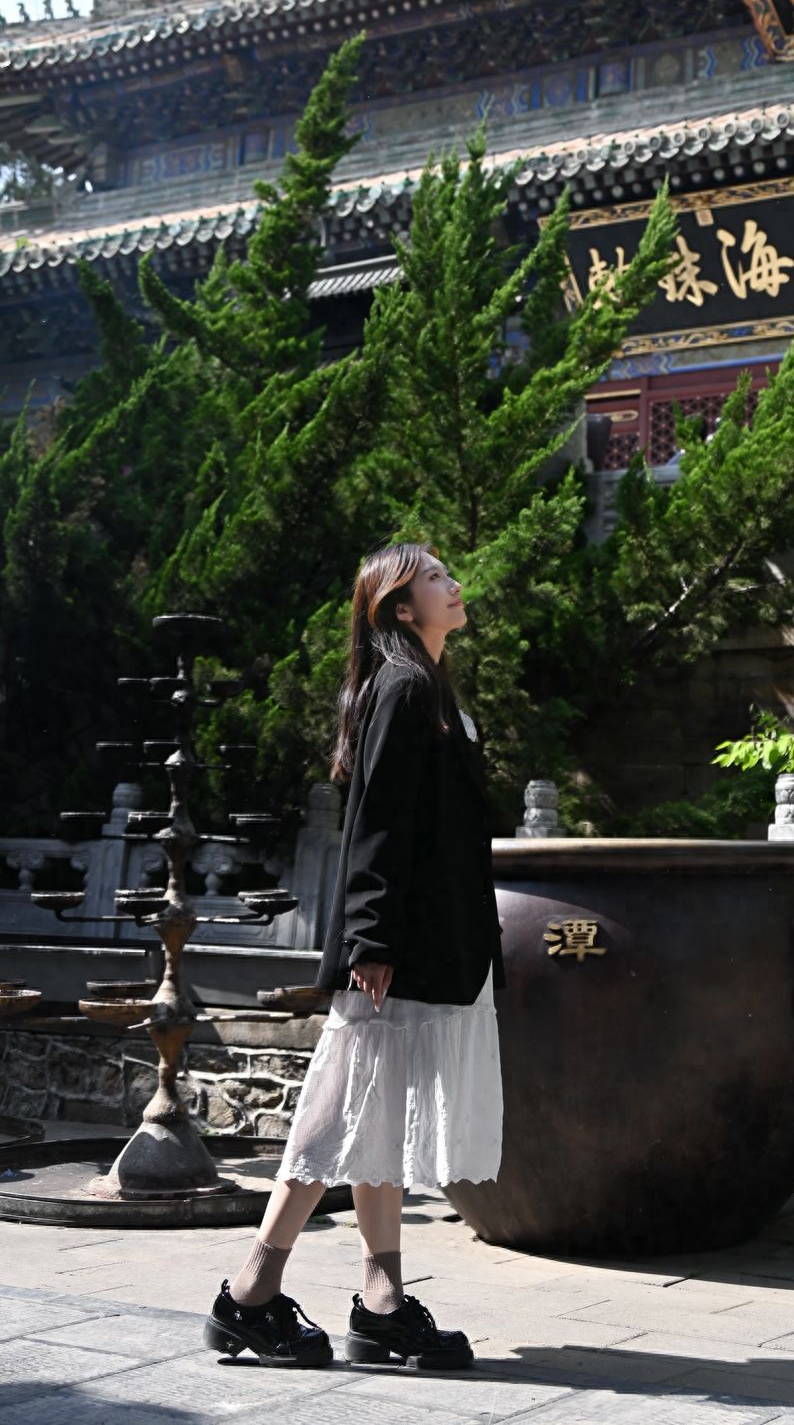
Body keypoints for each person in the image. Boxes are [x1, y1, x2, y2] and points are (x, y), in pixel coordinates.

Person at [204, 540, 506, 1373]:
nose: (455, 585)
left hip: (429, 943)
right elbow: (376, 822)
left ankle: (380, 1303)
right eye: (437, 578)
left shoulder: (429, 689)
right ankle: (250, 1295)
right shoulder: (405, 688)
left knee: (373, 1119)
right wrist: (371, 940)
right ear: (401, 609)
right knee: (339, 1114)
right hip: (396, 950)